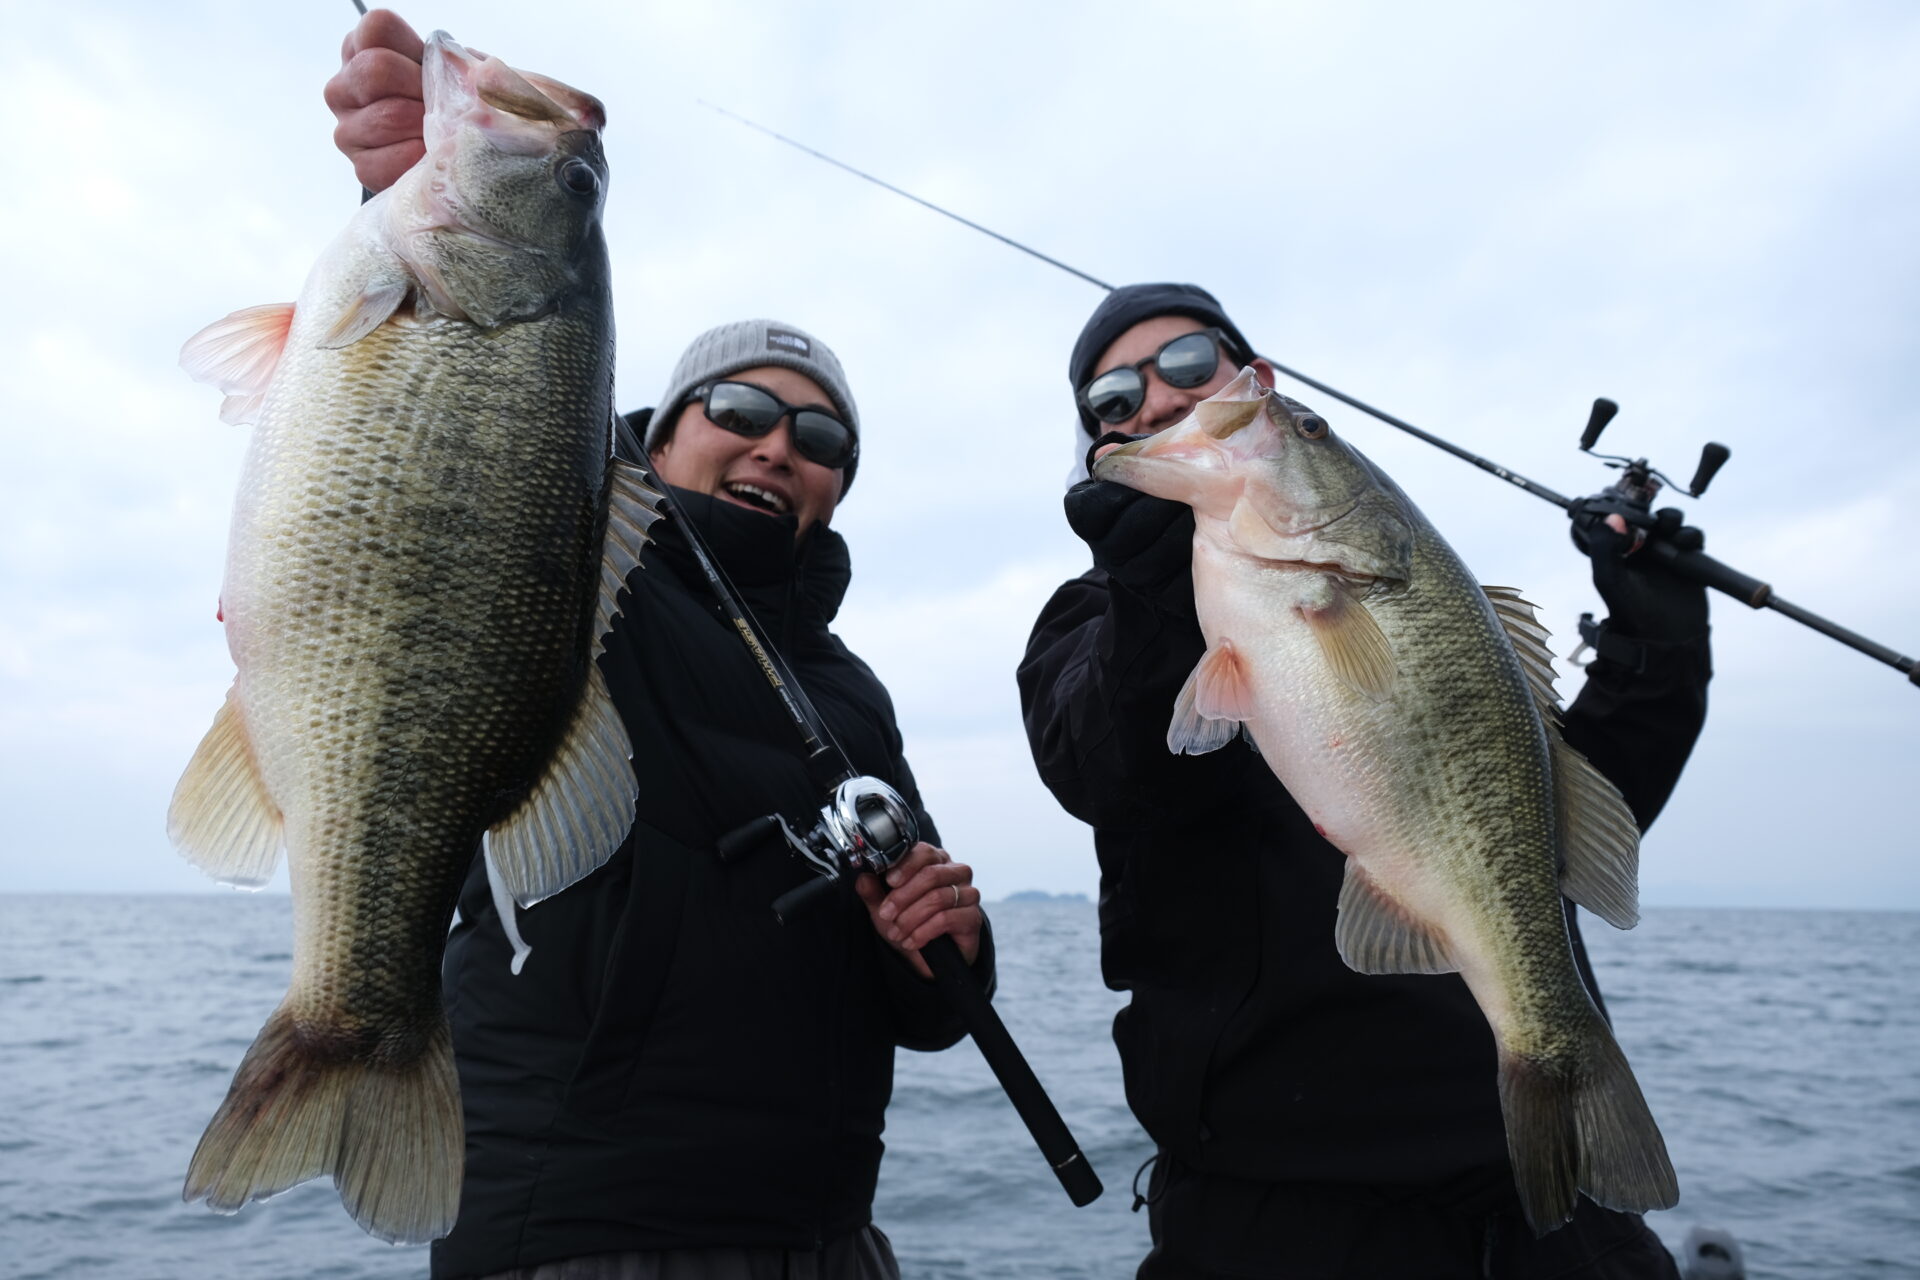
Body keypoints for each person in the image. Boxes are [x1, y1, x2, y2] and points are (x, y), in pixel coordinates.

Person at [326, 15, 991, 1279]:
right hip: (586, 1234)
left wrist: (946, 944)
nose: (779, 445)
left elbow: (922, 1004)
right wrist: (404, 180)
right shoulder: (582, 560)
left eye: (822, 439)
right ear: (660, 432)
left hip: (826, 1238)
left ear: (838, 490)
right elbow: (451, 430)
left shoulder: (851, 691)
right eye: (739, 409)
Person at [1019, 283, 1711, 1279]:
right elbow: (1112, 769)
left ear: (1257, 382)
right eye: (1113, 396)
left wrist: (1659, 645)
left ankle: (1555, 1062)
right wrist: (1155, 596)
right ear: (1095, 446)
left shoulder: (1411, 588)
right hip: (1271, 1217)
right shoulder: (1088, 626)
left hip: (1547, 1211)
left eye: (1187, 365)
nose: (1156, 400)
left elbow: (1555, 806)